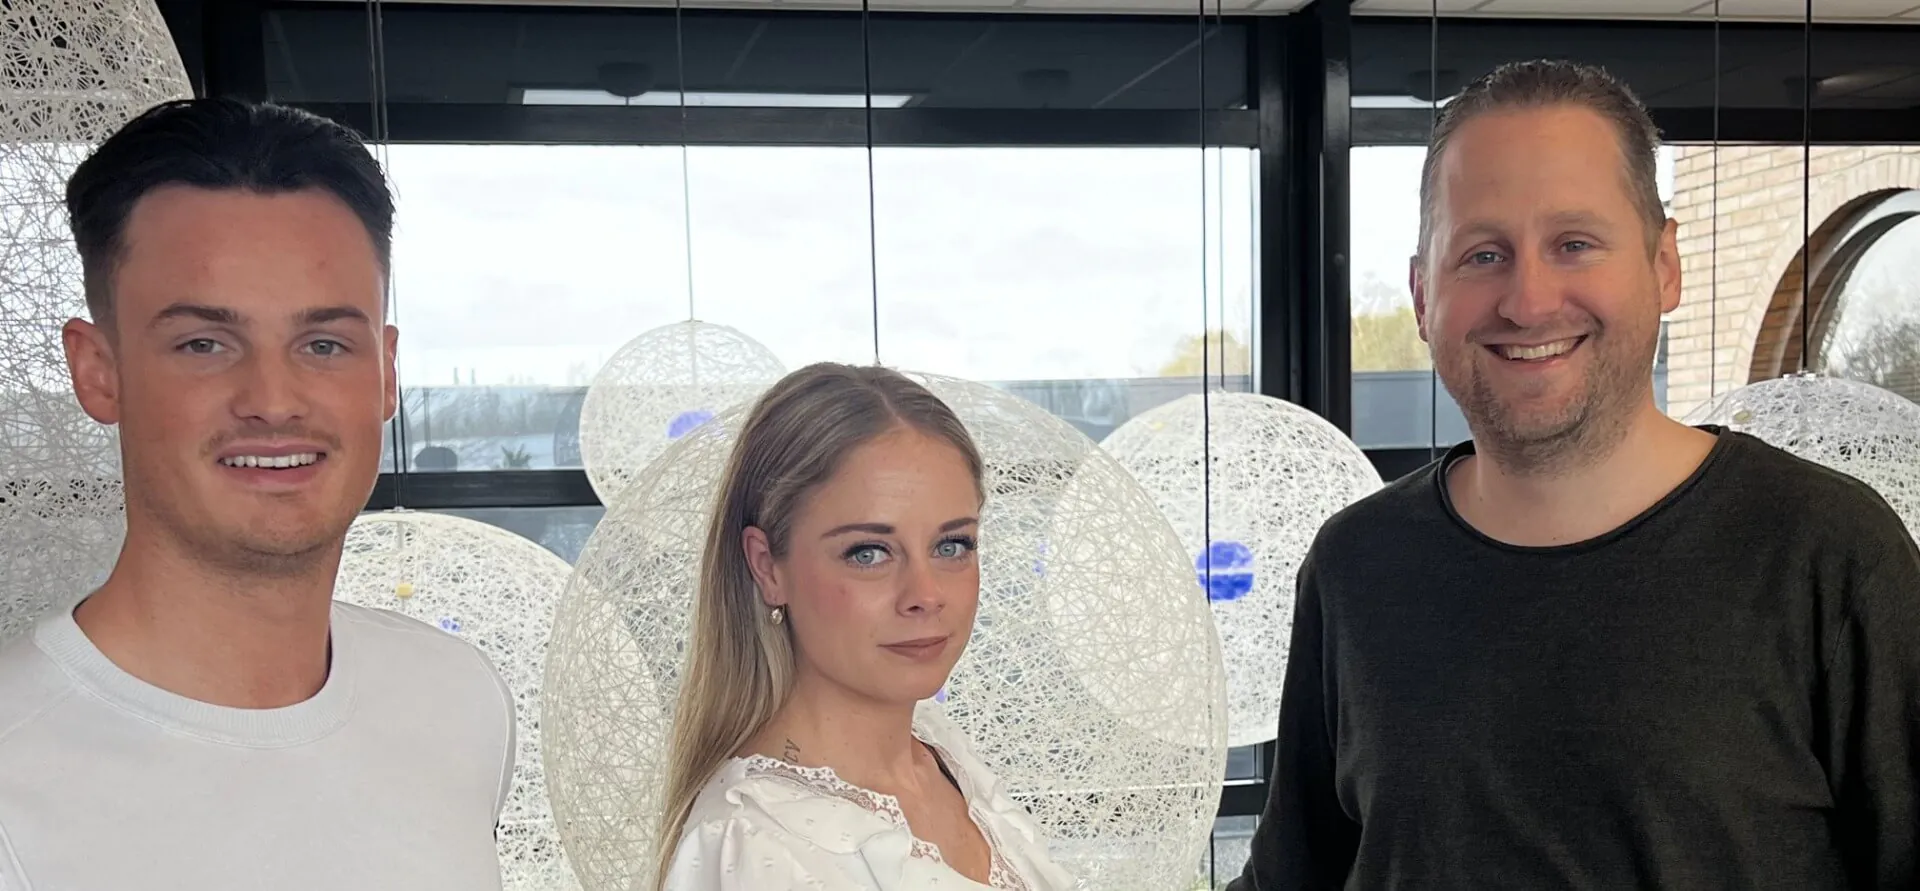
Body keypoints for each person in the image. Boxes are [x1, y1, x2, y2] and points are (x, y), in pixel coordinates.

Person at [1229, 59, 1920, 890]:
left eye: (1574, 244)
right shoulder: (1355, 567)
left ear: (1664, 266)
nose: (1528, 301)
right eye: (1483, 254)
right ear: (1421, 295)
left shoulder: (1829, 556)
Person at [0, 97, 515, 889]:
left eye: (324, 344)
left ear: (386, 372)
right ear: (98, 371)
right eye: (204, 343)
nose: (273, 401)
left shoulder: (457, 698)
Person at [652, 362, 1077, 891]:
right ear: (767, 567)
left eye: (952, 545)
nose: (926, 595)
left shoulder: (942, 757)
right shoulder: (755, 847)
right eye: (868, 553)